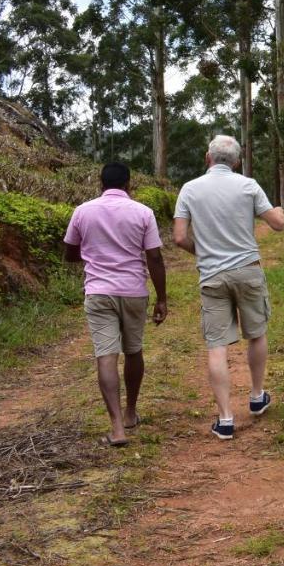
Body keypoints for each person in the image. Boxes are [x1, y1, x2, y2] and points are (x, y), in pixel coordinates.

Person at [172, 135, 284, 440]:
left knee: (216, 347)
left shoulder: (189, 189)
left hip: (212, 276)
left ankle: (224, 419)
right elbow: (277, 223)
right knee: (257, 333)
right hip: (247, 271)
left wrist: (206, 253)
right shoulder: (248, 185)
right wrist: (280, 210)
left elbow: (180, 237)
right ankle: (257, 395)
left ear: (207, 158)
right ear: (236, 162)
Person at [64, 162, 168, 447]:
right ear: (128, 184)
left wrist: (94, 254)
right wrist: (162, 298)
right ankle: (132, 412)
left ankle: (117, 428)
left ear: (100, 183)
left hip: (98, 292)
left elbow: (70, 253)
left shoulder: (82, 211)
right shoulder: (143, 212)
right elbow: (155, 258)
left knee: (106, 356)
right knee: (133, 351)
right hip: (134, 292)